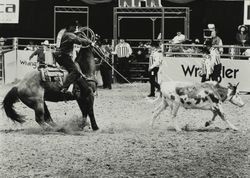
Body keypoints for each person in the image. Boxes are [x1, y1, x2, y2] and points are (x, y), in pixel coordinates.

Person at [54, 24, 92, 93]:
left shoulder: (66, 34)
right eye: (74, 27)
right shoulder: (69, 35)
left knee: (71, 70)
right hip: (63, 56)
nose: (75, 29)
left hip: (60, 55)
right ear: (70, 28)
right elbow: (78, 40)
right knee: (75, 71)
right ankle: (64, 87)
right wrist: (89, 42)